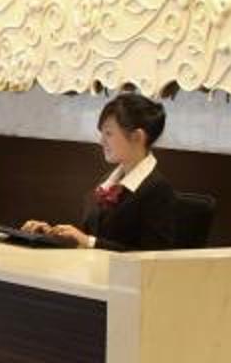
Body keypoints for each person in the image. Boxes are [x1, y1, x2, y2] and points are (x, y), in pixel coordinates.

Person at [24, 90, 181, 251]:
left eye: (109, 133)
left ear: (137, 137)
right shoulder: (109, 180)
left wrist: (88, 241)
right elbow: (89, 236)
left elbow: (152, 257)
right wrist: (51, 234)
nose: (101, 141)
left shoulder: (158, 190)